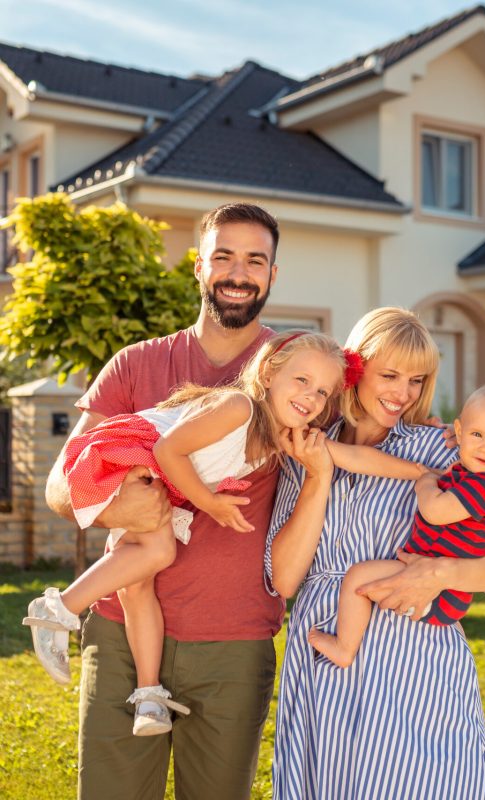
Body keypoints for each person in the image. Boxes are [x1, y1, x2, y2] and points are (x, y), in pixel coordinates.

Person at [31, 331, 426, 734]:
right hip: (130, 458)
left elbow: (353, 457)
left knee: (138, 581)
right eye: (301, 380)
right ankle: (58, 610)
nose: (310, 397)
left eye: (323, 392)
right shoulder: (238, 407)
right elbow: (168, 450)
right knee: (156, 555)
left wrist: (424, 472)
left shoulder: (281, 437)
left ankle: (149, 695)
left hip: (160, 480)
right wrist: (209, 502)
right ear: (270, 373)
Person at [45, 202, 284, 800]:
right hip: (121, 630)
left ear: (272, 275)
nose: (238, 272)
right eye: (223, 256)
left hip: (234, 638)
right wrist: (118, 510)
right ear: (198, 266)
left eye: (255, 260)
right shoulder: (137, 363)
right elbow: (59, 482)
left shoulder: (293, 374)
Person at [267, 307, 485, 800]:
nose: (403, 393)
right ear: (355, 368)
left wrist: (443, 571)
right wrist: (318, 476)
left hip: (413, 656)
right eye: (389, 375)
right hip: (326, 651)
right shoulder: (306, 449)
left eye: (417, 379)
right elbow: (285, 581)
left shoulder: (442, 450)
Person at [308, 381, 485, 668]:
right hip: (430, 575)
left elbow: (435, 511)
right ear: (458, 431)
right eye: (477, 434)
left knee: (358, 577)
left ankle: (344, 648)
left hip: (441, 593)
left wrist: (425, 482)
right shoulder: (470, 473)